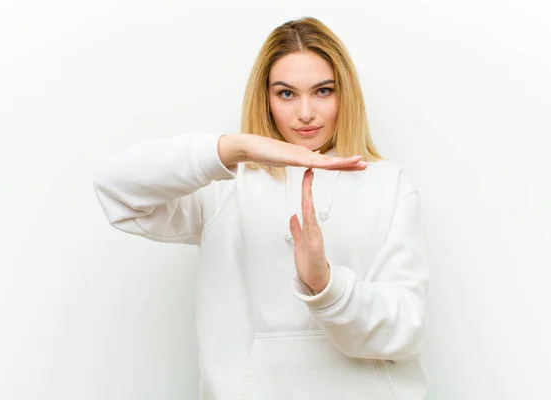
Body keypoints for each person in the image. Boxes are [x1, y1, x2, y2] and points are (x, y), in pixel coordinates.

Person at [93, 16, 430, 400]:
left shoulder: (389, 182)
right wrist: (233, 149)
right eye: (286, 94)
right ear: (265, 98)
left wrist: (326, 285)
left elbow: (407, 329)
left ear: (345, 94)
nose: (305, 112)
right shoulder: (224, 186)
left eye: (323, 91)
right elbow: (115, 188)